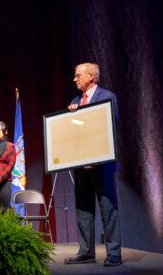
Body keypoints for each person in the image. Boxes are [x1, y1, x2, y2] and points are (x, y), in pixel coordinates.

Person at [64, 63, 122, 267]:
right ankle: (86, 251)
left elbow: (109, 129)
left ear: (92, 76)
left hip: (102, 165)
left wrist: (96, 159)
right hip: (81, 166)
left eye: (78, 75)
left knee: (108, 209)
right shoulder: (75, 101)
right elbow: (73, 133)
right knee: (83, 209)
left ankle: (114, 253)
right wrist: (71, 116)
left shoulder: (107, 97)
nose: (75, 79)